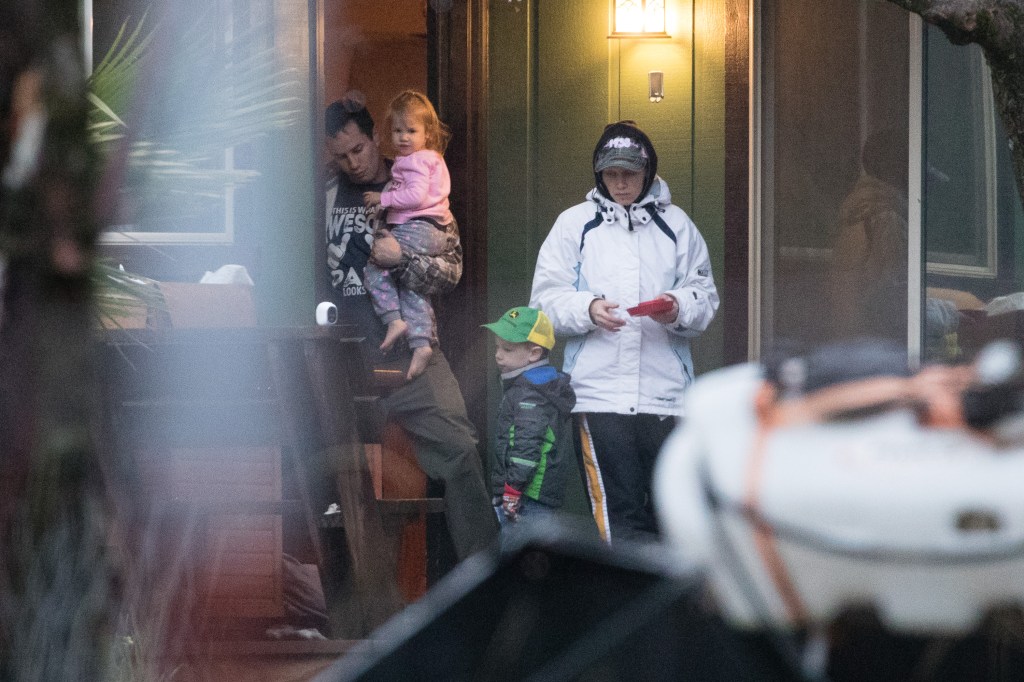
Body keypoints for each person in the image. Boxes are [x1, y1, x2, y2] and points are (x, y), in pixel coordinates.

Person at [325, 91, 498, 561]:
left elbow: (452, 270)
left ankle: (486, 582)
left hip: (409, 355)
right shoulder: (320, 194)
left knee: (460, 450)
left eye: (359, 150)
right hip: (340, 354)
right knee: (332, 476)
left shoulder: (418, 186)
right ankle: (344, 604)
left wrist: (403, 257)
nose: (352, 163)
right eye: (340, 156)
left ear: (376, 137)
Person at [530, 120, 719, 544]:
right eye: (611, 174)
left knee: (675, 519)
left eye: (629, 174)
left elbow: (705, 298)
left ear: (648, 172)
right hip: (598, 397)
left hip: (666, 398)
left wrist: (675, 308)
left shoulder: (678, 225)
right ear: (598, 173)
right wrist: (589, 308)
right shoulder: (573, 224)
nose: (620, 184)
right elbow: (543, 302)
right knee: (619, 521)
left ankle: (668, 610)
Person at [361, 90, 460, 380]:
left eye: (411, 131)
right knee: (411, 285)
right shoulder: (432, 159)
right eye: (397, 131)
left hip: (419, 225)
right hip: (431, 228)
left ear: (427, 133)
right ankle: (421, 342)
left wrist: (384, 200)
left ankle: (394, 320)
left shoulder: (413, 161)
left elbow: (415, 195)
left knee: (376, 266)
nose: (403, 137)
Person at [481, 306, 576, 537]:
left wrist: (512, 490)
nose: (498, 355)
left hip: (527, 498)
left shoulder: (530, 392)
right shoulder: (530, 386)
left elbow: (526, 445)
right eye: (497, 347)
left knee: (523, 564)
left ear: (534, 353)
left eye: (507, 349)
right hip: (529, 495)